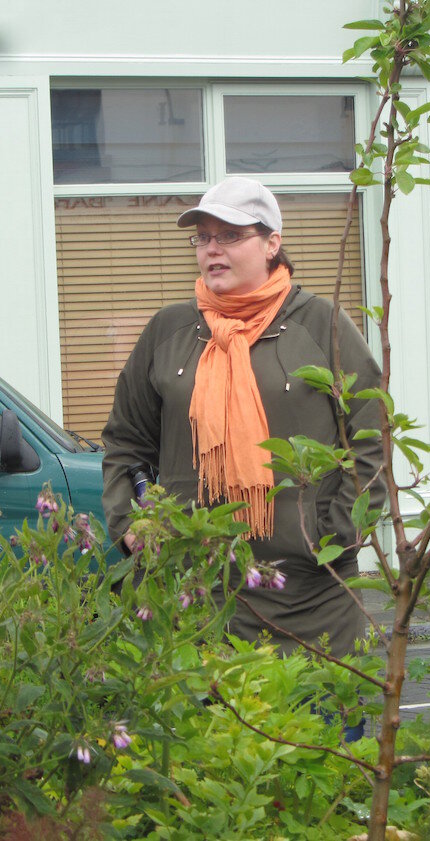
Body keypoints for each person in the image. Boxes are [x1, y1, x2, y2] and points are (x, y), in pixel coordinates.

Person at [102, 176, 385, 659]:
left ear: (272, 243)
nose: (213, 249)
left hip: (309, 599)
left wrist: (334, 536)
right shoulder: (170, 330)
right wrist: (130, 523)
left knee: (318, 709)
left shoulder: (322, 325)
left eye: (231, 235)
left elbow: (371, 439)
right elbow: (126, 441)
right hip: (193, 595)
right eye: (203, 238)